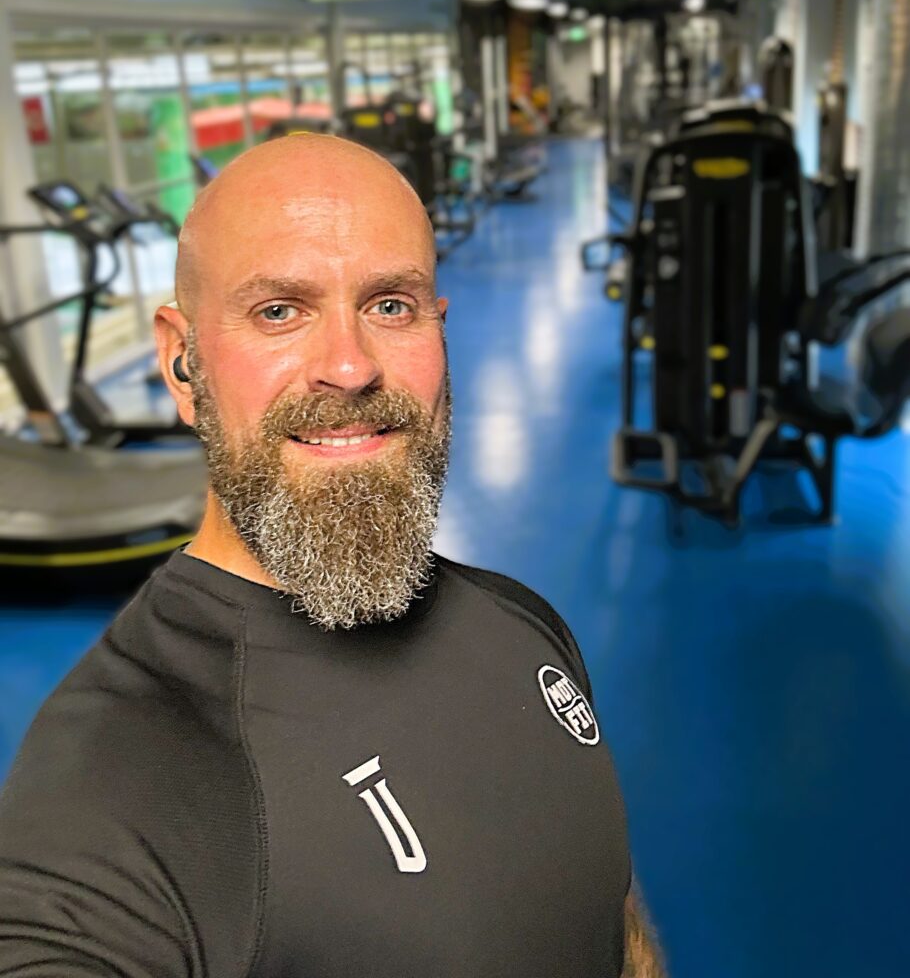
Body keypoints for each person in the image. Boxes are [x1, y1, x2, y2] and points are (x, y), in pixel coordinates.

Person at [0, 134, 665, 977]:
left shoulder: (524, 622)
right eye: (279, 311)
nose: (349, 368)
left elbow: (608, 910)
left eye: (390, 305)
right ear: (181, 361)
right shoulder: (112, 784)